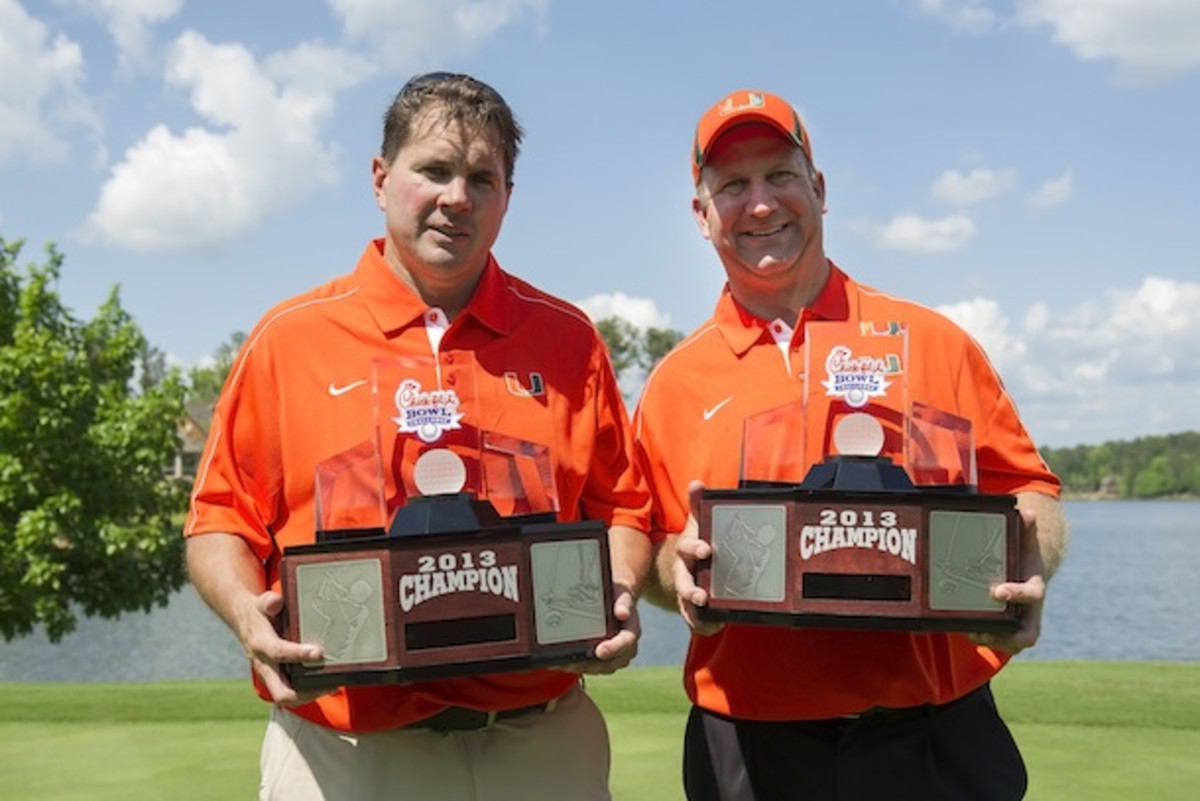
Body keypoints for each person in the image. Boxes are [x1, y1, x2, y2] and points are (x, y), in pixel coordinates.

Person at [185, 72, 652, 801]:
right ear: (381, 177)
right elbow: (217, 519)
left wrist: (616, 593)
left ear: (507, 198)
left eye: (481, 178)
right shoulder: (288, 339)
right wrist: (248, 611)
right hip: (346, 749)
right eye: (433, 170)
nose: (456, 197)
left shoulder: (568, 339)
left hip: (540, 739)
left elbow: (623, 504)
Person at [634, 89, 1069, 800]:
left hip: (932, 735)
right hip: (747, 741)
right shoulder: (676, 380)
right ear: (701, 214)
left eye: (780, 175)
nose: (762, 204)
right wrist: (672, 571)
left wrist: (1029, 553)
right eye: (733, 186)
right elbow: (650, 548)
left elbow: (1031, 492)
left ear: (820, 189)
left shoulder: (931, 340)